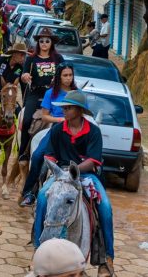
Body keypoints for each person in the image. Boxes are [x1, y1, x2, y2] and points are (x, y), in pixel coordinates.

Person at [29, 90, 115, 277]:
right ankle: (37, 247)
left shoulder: (94, 132)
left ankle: (107, 259)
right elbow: (50, 155)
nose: (64, 111)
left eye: (68, 108)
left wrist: (74, 170)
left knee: (106, 207)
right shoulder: (57, 130)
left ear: (79, 110)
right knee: (43, 197)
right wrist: (59, 170)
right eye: (64, 108)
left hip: (86, 175)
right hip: (60, 173)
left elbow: (93, 160)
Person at [20, 62, 77, 207]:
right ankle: (29, 192)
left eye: (70, 75)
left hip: (75, 130)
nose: (68, 78)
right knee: (38, 155)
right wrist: (60, 119)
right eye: (65, 75)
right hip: (57, 129)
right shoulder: (51, 93)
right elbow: (45, 116)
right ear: (59, 76)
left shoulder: (77, 94)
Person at [18, 29, 64, 166]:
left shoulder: (58, 59)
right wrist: (25, 77)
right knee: (26, 121)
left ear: (52, 43)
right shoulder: (31, 58)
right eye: (41, 41)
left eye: (47, 41)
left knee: (62, 121)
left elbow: (66, 73)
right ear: (38, 42)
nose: (44, 43)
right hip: (36, 93)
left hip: (54, 94)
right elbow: (23, 74)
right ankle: (23, 153)